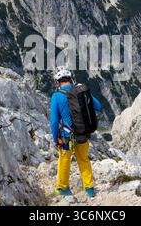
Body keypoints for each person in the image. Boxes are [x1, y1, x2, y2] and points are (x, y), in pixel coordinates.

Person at [50, 66, 102, 198]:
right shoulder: (81, 91)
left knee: (64, 160)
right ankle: (89, 189)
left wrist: (56, 138)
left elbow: (54, 122)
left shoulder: (56, 96)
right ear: (70, 79)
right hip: (84, 134)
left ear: (58, 82)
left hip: (68, 137)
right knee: (83, 160)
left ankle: (63, 188)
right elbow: (98, 106)